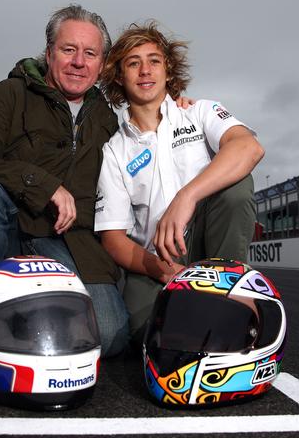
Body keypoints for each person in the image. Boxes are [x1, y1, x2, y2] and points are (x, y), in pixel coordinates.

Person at [0, 4, 130, 357]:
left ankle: (40, 310)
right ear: (49, 52)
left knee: (111, 336)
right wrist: (41, 184)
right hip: (11, 232)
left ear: (102, 63)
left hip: (71, 243)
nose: (78, 62)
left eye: (90, 53)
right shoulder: (8, 95)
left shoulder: (107, 118)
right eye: (69, 50)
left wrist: (178, 106)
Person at [94, 22, 265, 344]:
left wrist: (185, 197)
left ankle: (231, 290)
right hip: (155, 262)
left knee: (236, 187)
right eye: (133, 63)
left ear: (168, 70)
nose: (145, 70)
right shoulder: (114, 150)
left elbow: (249, 147)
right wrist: (164, 271)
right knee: (143, 336)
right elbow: (113, 239)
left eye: (154, 60)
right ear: (119, 75)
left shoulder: (201, 111)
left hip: (207, 248)